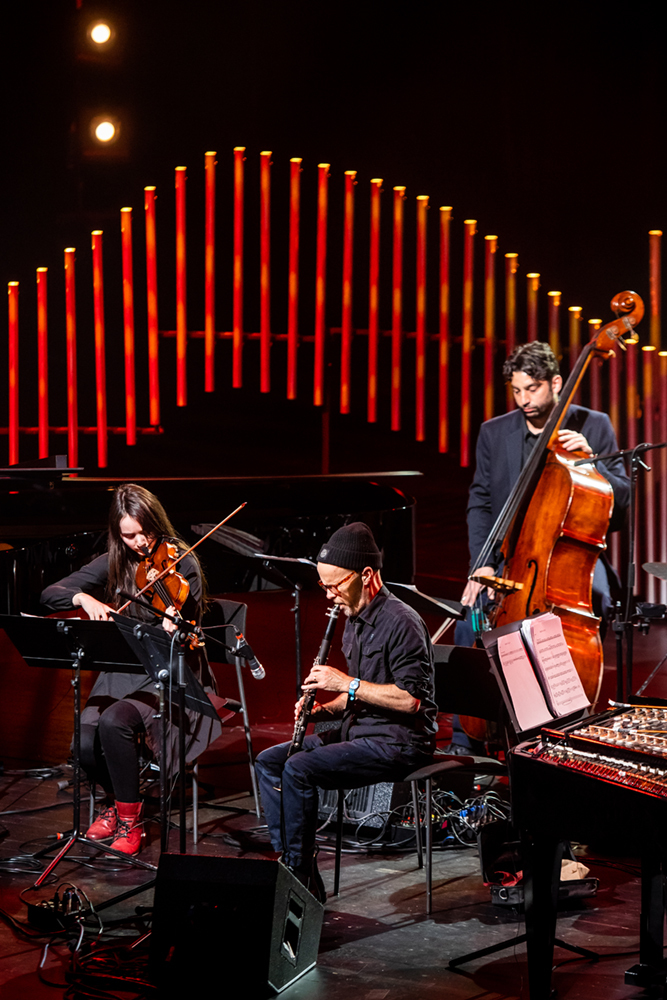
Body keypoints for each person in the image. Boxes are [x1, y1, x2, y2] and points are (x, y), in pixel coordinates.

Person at [449, 341, 630, 750]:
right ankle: (467, 737)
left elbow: (621, 505)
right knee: (470, 616)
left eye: (532, 389)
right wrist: (482, 563)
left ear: (556, 383)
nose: (524, 400)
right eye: (517, 391)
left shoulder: (593, 424)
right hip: (510, 555)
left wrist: (595, 460)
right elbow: (480, 502)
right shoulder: (494, 433)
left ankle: (566, 722)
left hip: (572, 551)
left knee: (596, 596)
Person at [255, 522, 438, 902]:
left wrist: (346, 683)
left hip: (398, 741)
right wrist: (321, 710)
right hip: (359, 731)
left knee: (299, 769)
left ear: (366, 575)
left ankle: (297, 873)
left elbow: (409, 701)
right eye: (324, 586)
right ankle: (293, 861)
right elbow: (359, 695)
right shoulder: (353, 618)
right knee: (270, 761)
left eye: (334, 585)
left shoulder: (402, 622)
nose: (328, 595)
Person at [40, 483, 221, 855]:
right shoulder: (116, 559)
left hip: (168, 671)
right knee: (83, 742)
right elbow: (49, 594)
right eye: (129, 535)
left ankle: (130, 821)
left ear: (156, 524)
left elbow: (192, 635)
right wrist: (82, 597)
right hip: (122, 667)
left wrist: (175, 626)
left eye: (145, 532)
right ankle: (117, 801)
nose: (139, 542)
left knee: (114, 721)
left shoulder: (182, 562)